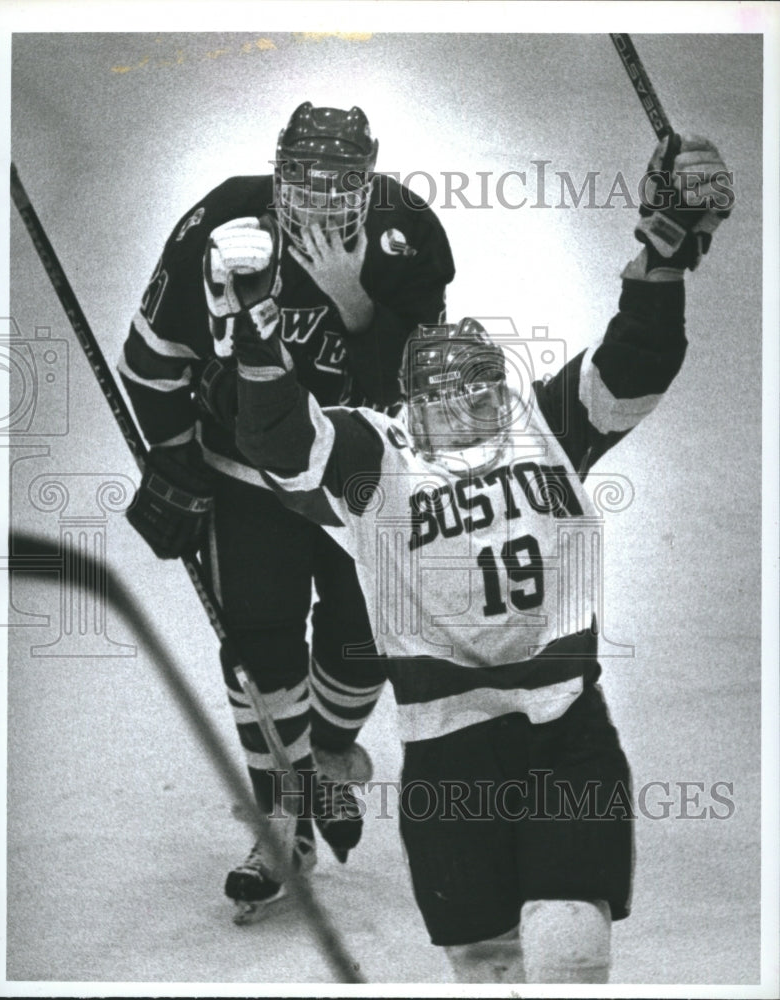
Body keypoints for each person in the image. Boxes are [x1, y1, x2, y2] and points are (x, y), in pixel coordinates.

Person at [199, 134, 733, 980]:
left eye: (476, 394)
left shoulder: (547, 429)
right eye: (440, 401)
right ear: (406, 408)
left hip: (564, 724)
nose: (460, 412)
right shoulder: (381, 457)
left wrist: (663, 251)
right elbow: (279, 438)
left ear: (504, 391)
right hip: (446, 748)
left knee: (567, 942)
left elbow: (636, 360)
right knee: (486, 968)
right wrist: (257, 338)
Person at [118, 101, 455, 920]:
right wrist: (174, 462)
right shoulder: (223, 222)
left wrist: (357, 306)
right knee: (260, 646)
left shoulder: (408, 231)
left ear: (367, 181)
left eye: (342, 182)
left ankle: (328, 756)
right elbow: (150, 360)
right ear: (278, 172)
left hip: (351, 477)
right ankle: (284, 820)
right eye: (304, 178)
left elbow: (411, 393)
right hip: (244, 475)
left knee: (363, 636)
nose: (321, 197)